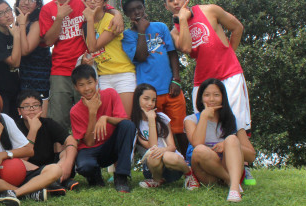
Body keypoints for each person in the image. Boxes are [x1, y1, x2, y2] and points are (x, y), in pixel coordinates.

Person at [39, 0, 122, 133]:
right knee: (59, 120)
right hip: (60, 70)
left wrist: (118, 14)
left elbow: (106, 7)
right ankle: (61, 156)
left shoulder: (83, 0)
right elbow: (48, 41)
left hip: (86, 67)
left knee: (90, 115)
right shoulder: (47, 9)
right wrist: (60, 17)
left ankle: (89, 154)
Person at [163, 0, 250, 131]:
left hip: (230, 74)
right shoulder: (174, 33)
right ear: (166, 6)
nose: (176, 2)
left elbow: (237, 28)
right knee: (207, 127)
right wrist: (183, 20)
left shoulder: (210, 10)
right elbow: (186, 48)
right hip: (203, 81)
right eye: (171, 0)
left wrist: (230, 54)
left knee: (237, 125)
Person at [121, 0, 188, 155]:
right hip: (149, 96)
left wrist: (176, 79)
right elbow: (141, 57)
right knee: (157, 132)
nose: (137, 12)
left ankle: (189, 167)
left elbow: (172, 54)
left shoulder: (160, 27)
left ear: (144, 7)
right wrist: (142, 31)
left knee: (180, 130)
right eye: (132, 10)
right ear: (127, 14)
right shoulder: (127, 36)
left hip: (170, 89)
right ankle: (160, 167)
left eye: (139, 7)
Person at [183, 78, 255, 202]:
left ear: (223, 97)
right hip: (207, 173)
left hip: (232, 168)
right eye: (207, 95)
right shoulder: (191, 120)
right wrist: (204, 116)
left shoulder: (233, 121)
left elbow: (251, 156)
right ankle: (230, 181)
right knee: (200, 149)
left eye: (216, 95)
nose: (211, 99)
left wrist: (228, 145)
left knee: (231, 139)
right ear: (200, 98)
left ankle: (233, 189)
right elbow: (197, 144)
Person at [69, 64, 136, 193]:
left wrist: (106, 118)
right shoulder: (75, 111)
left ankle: (121, 177)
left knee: (128, 126)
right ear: (76, 88)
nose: (87, 88)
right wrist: (92, 113)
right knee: (85, 166)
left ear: (96, 82)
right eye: (81, 85)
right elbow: (89, 143)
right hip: (89, 150)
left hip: (109, 147)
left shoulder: (110, 94)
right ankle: (95, 176)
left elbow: (124, 120)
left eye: (89, 83)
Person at [82, 0, 136, 117]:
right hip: (103, 77)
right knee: (108, 119)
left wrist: (89, 19)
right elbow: (92, 51)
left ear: (105, 2)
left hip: (123, 74)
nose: (93, 1)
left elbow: (94, 46)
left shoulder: (112, 20)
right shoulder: (84, 25)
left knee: (124, 119)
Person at [14, 90, 78, 191]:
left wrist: (68, 164)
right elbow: (23, 158)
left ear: (41, 108)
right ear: (19, 111)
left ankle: (55, 181)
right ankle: (57, 181)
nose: (31, 109)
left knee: (68, 151)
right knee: (17, 162)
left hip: (52, 166)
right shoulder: (15, 127)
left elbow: (71, 140)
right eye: (26, 106)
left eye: (35, 105)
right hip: (30, 169)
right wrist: (33, 130)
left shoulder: (48, 123)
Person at [130, 84, 191, 189]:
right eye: (146, 99)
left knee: (167, 157)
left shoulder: (162, 118)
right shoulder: (134, 123)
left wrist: (163, 150)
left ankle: (190, 175)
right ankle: (157, 180)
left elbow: (172, 146)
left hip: (173, 166)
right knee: (153, 155)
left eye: (153, 100)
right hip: (152, 168)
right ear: (137, 100)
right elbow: (152, 147)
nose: (150, 103)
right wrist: (151, 121)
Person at [15, 0, 52, 116]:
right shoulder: (20, 22)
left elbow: (25, 50)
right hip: (24, 79)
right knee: (25, 121)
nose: (26, 3)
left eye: (31, 0)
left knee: (40, 121)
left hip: (39, 80)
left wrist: (22, 25)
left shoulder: (36, 23)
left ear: (37, 5)